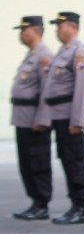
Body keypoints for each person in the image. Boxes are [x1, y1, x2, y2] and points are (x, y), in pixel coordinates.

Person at [37, 12, 84, 225]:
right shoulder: (63, 52)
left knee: (74, 160)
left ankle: (81, 207)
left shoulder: (79, 52)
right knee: (67, 160)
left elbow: (81, 89)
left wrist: (77, 120)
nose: (57, 30)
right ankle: (74, 205)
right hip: (59, 116)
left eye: (61, 26)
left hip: (69, 116)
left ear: (72, 27)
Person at [10, 15, 53, 220]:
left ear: (35, 31)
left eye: (23, 30)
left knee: (38, 162)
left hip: (35, 120)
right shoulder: (32, 55)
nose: (20, 34)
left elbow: (47, 91)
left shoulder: (44, 56)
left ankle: (41, 203)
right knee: (26, 162)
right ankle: (35, 201)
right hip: (23, 118)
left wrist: (43, 119)